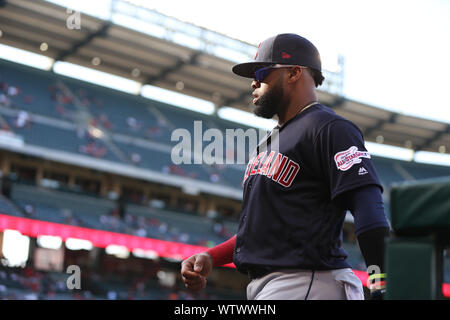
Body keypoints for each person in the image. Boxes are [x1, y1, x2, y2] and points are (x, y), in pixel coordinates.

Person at [180, 33, 390, 300]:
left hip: (308, 280)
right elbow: (261, 231)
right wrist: (211, 256)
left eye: (263, 72)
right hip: (275, 285)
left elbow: (368, 205)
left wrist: (380, 279)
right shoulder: (269, 143)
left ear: (293, 73)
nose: (254, 81)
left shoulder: (329, 128)